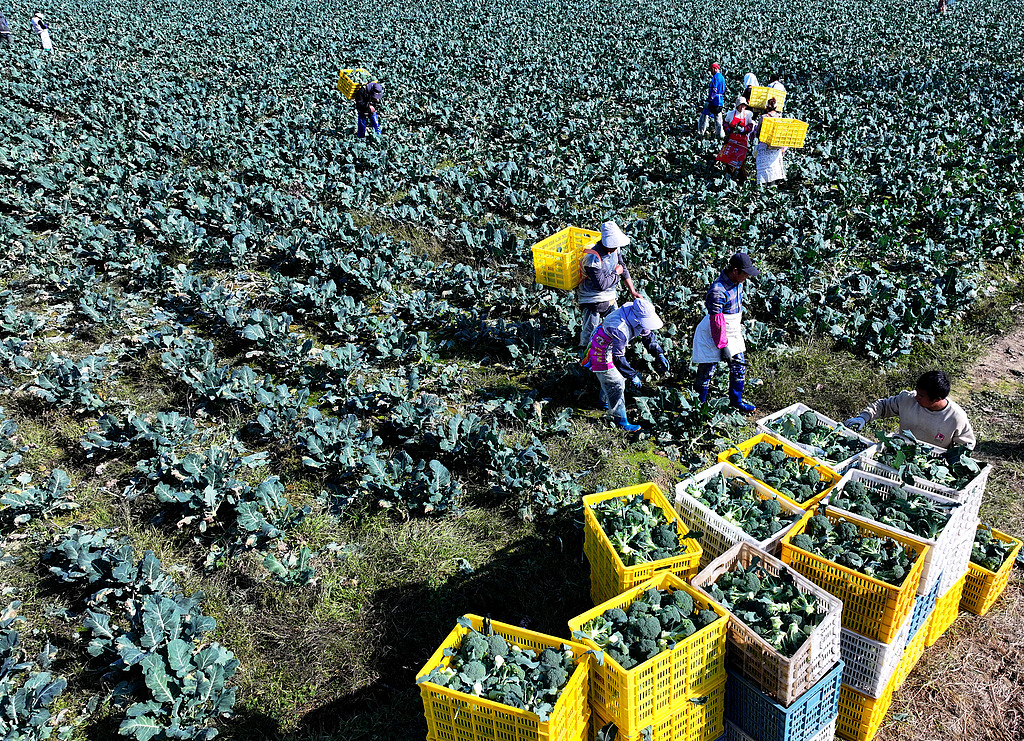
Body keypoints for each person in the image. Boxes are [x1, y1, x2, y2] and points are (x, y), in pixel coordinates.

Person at [582, 298, 669, 432]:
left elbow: (647, 336)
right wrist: (632, 375)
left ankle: (604, 402)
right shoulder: (619, 328)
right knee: (616, 382)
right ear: (637, 319)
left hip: (611, 345)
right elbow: (618, 358)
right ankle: (620, 421)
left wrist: (659, 353)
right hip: (601, 349)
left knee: (612, 379)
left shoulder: (636, 314)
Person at [691, 253, 760, 412]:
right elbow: (716, 322)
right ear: (735, 270)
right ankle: (697, 408)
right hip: (713, 334)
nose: (748, 276)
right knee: (707, 372)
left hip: (732, 331)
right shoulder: (718, 290)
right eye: (746, 273)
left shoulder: (738, 283)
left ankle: (736, 401)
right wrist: (723, 346)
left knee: (739, 367)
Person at [845, 370, 976, 449]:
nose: (916, 397)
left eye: (921, 396)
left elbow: (965, 446)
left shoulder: (956, 418)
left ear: (937, 399)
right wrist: (863, 417)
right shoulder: (908, 399)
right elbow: (883, 406)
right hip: (900, 452)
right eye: (917, 392)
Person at [577, 221, 642, 348]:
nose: (615, 248)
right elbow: (602, 284)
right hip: (593, 300)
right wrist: (616, 273)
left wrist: (632, 291)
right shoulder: (592, 258)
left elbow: (623, 267)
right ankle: (585, 356)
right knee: (590, 332)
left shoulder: (615, 249)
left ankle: (612, 349)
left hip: (610, 297)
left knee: (617, 325)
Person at [716, 96, 754, 179]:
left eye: (743, 106)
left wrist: (745, 129)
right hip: (732, 140)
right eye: (740, 106)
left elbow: (751, 125)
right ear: (737, 106)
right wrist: (728, 129)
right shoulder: (730, 114)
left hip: (742, 141)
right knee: (728, 158)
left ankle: (741, 176)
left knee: (741, 159)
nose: (742, 108)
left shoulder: (748, 114)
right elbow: (725, 123)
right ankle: (729, 173)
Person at [755, 98, 787, 186]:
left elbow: (758, 132)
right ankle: (772, 186)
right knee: (774, 166)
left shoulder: (763, 117)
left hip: (765, 144)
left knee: (764, 167)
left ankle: (762, 186)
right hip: (776, 145)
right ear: (776, 107)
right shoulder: (780, 117)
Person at [698, 62, 726, 140]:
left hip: (714, 101)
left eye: (711, 70)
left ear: (714, 69)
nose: (711, 72)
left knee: (704, 115)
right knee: (718, 118)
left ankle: (701, 132)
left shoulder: (715, 77)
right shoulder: (722, 77)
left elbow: (714, 89)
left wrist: (709, 100)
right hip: (720, 101)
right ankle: (720, 135)